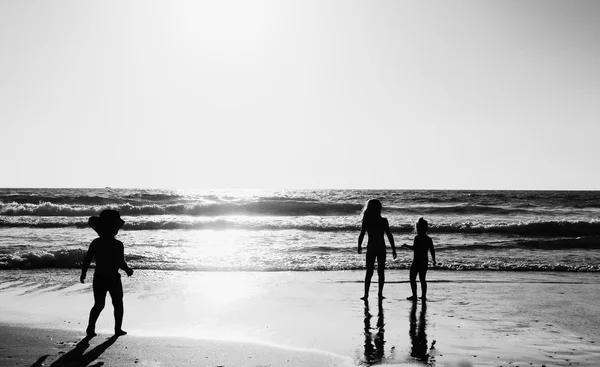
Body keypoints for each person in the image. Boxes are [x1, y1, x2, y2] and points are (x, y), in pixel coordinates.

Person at [81, 209, 134, 337]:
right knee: (118, 304)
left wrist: (83, 273)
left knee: (98, 305)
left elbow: (87, 259)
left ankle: (90, 328)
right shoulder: (117, 244)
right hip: (113, 278)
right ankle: (117, 329)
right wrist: (127, 269)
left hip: (99, 278)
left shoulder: (96, 243)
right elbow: (120, 262)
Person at [358, 199, 397, 300]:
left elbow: (361, 234)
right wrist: (393, 248)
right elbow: (389, 235)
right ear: (379, 209)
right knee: (380, 272)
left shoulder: (367, 220)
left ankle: (366, 295)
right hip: (381, 247)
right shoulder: (383, 221)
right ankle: (379, 294)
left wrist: (359, 246)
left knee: (369, 272)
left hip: (371, 247)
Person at [402, 217, 436, 301]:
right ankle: (423, 296)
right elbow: (432, 250)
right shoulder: (428, 239)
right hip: (424, 261)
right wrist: (434, 259)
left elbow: (414, 248)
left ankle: (414, 295)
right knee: (422, 279)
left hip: (416, 260)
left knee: (412, 278)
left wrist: (406, 246)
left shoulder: (417, 238)